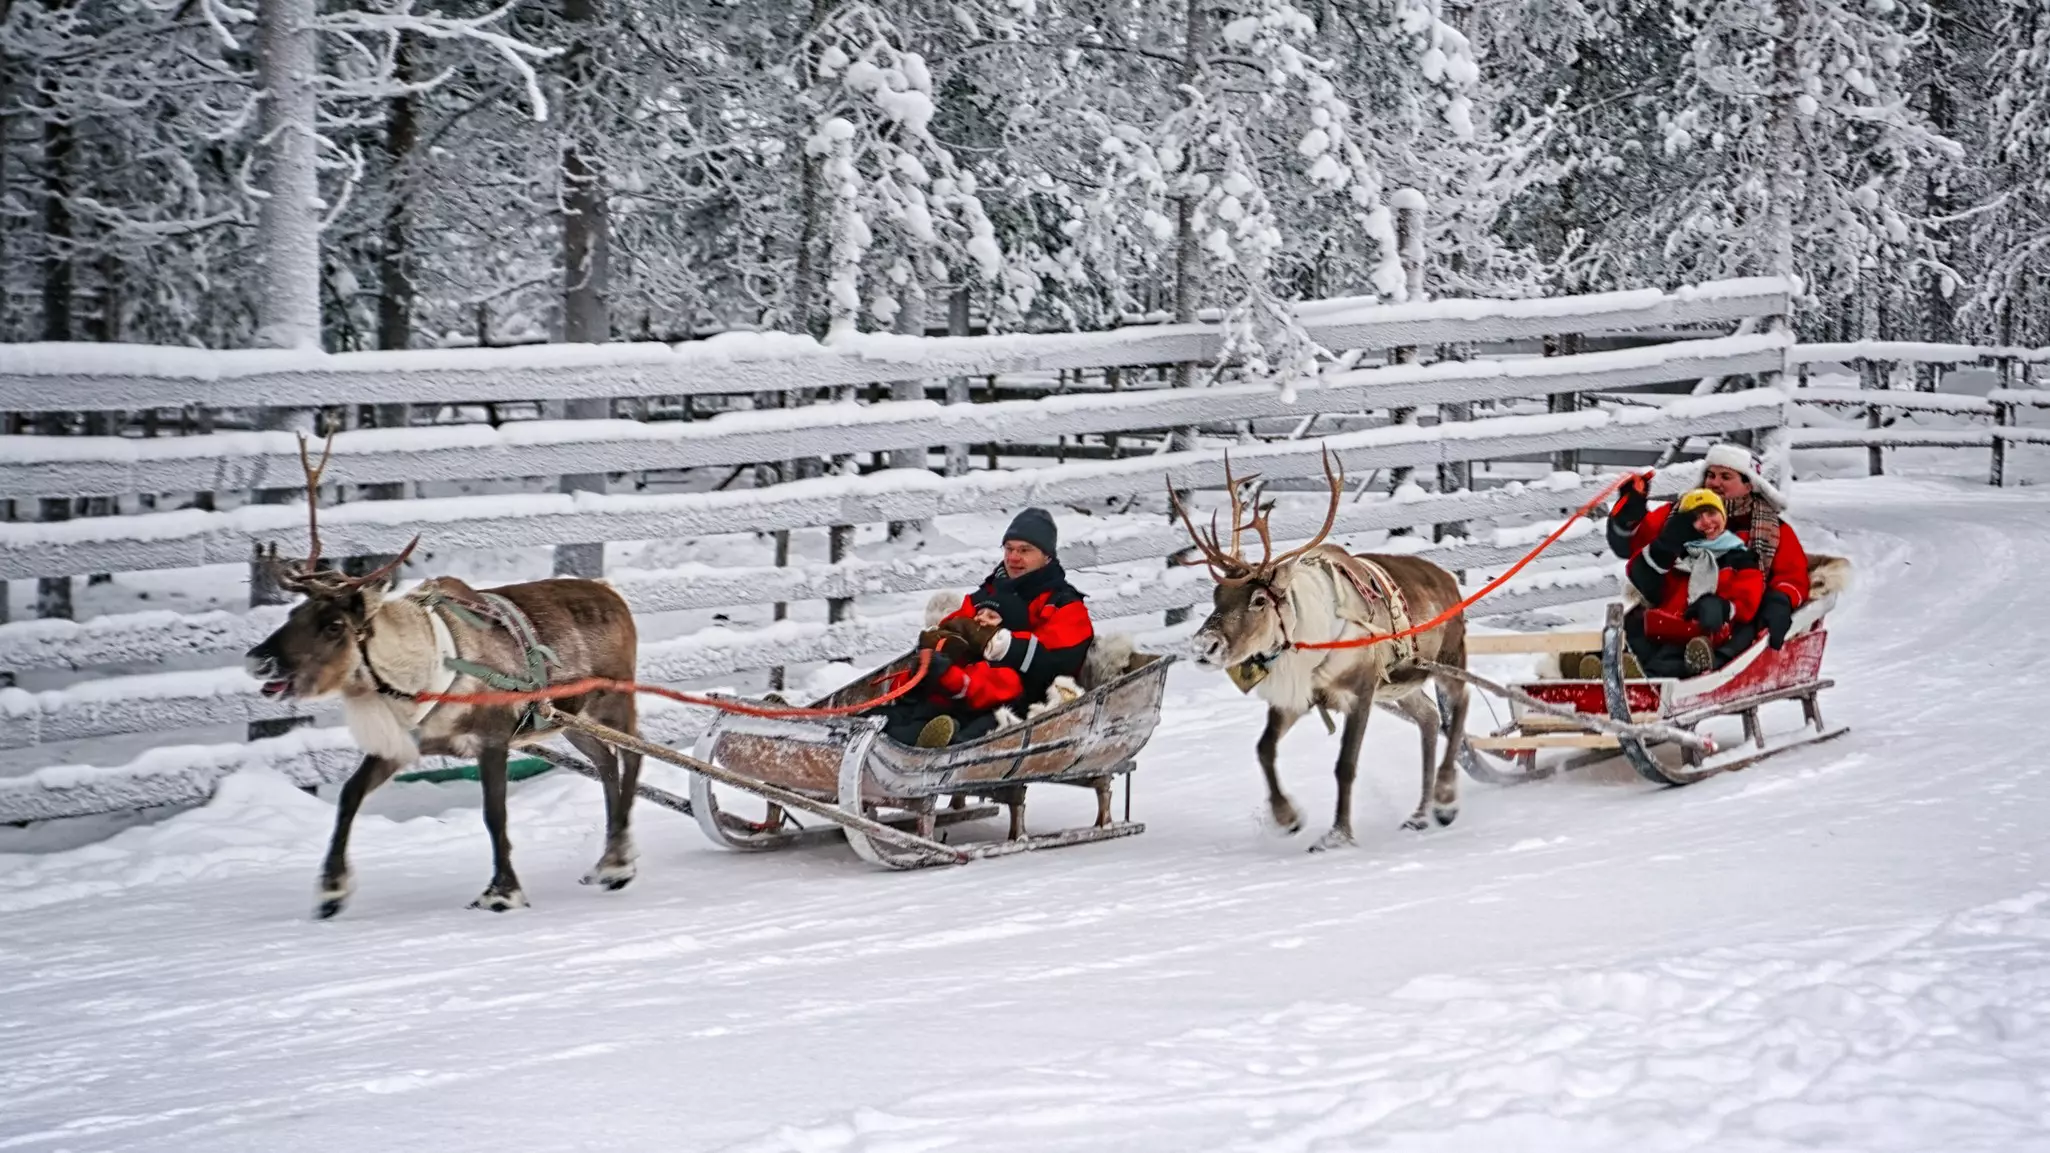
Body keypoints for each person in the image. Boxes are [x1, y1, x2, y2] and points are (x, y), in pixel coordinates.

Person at [875, 507, 1095, 748]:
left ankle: (928, 745)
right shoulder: (987, 593)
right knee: (910, 713)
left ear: (1047, 556)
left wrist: (1001, 644)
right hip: (966, 690)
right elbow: (953, 631)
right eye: (1009, 549)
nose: (1013, 558)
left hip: (1021, 702)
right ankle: (881, 730)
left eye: (1024, 550)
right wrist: (938, 646)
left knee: (966, 734)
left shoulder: (1064, 605)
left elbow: (1057, 665)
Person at [1599, 442, 1812, 675]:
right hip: (1672, 610)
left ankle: (1649, 677)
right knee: (1639, 632)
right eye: (1710, 475)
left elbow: (1791, 577)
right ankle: (1609, 669)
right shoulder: (1679, 515)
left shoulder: (1771, 530)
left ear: (1749, 483)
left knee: (1684, 651)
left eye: (1725, 476)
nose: (1715, 482)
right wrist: (1629, 515)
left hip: (1727, 621)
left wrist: (1779, 602)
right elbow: (1633, 546)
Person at [1618, 488, 1765, 675]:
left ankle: (1645, 679)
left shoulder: (1738, 555)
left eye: (1711, 513)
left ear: (1723, 516)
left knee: (1672, 654)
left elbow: (1749, 594)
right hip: (1669, 624)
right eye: (1696, 518)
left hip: (1711, 631)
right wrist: (1663, 547)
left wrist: (1723, 607)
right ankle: (1608, 667)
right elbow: (1643, 577)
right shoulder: (1681, 555)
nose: (1706, 522)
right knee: (1634, 633)